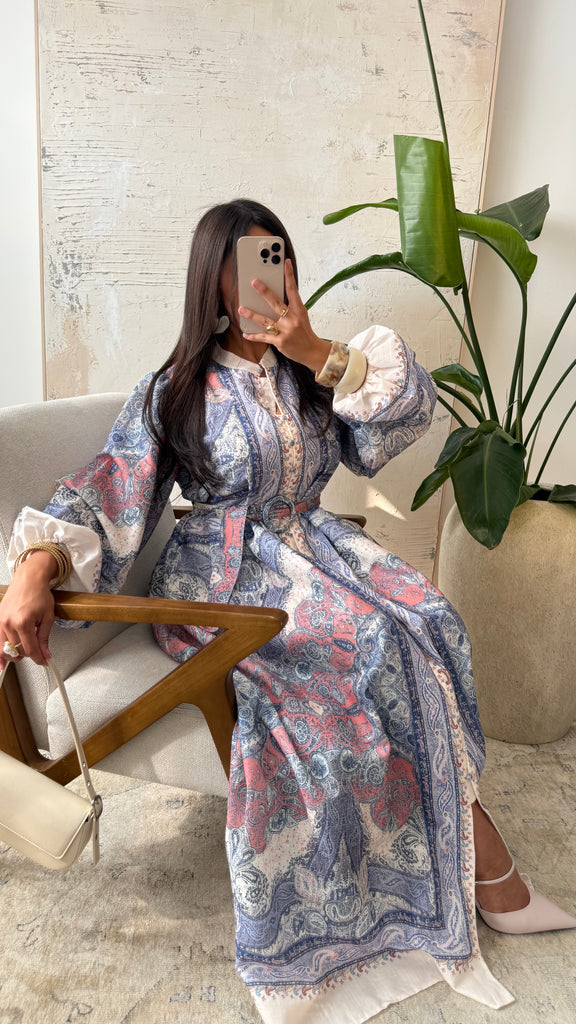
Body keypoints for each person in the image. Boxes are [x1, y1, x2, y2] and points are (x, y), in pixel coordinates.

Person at [0, 199, 574, 1023]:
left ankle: (468, 850)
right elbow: (111, 486)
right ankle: (489, 874)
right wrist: (38, 564)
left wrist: (316, 352)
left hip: (319, 544)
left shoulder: (313, 368)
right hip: (227, 574)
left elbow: (398, 422)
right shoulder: (175, 390)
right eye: (245, 266)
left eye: (279, 258)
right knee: (371, 640)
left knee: (430, 621)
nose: (268, 279)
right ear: (214, 282)